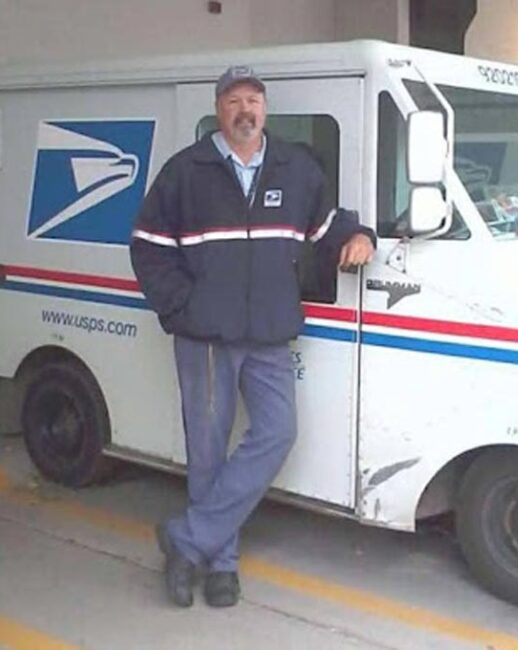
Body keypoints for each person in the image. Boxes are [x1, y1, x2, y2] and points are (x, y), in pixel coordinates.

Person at [129, 65, 375, 609]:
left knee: (278, 433)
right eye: (235, 100)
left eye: (254, 100)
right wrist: (182, 308)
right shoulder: (186, 172)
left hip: (268, 332)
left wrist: (359, 235)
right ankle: (222, 566)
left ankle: (187, 540)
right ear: (219, 109)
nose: (245, 110)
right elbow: (146, 245)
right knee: (209, 451)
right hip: (207, 337)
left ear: (266, 110)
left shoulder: (295, 169)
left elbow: (326, 224)